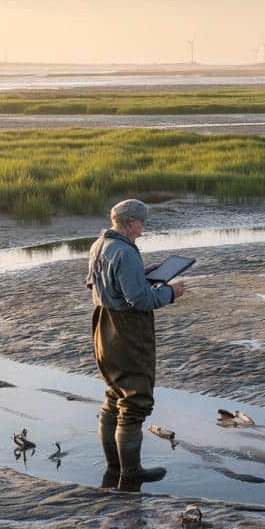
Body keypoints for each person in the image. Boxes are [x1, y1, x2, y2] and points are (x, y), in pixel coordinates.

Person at [85, 198, 185, 488]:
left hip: (103, 324)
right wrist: (171, 293)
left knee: (115, 393)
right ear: (130, 223)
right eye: (141, 222)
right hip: (126, 329)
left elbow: (95, 283)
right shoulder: (125, 252)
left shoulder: (99, 244)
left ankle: (114, 467)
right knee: (135, 398)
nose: (143, 227)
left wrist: (141, 275)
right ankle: (131, 472)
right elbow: (139, 300)